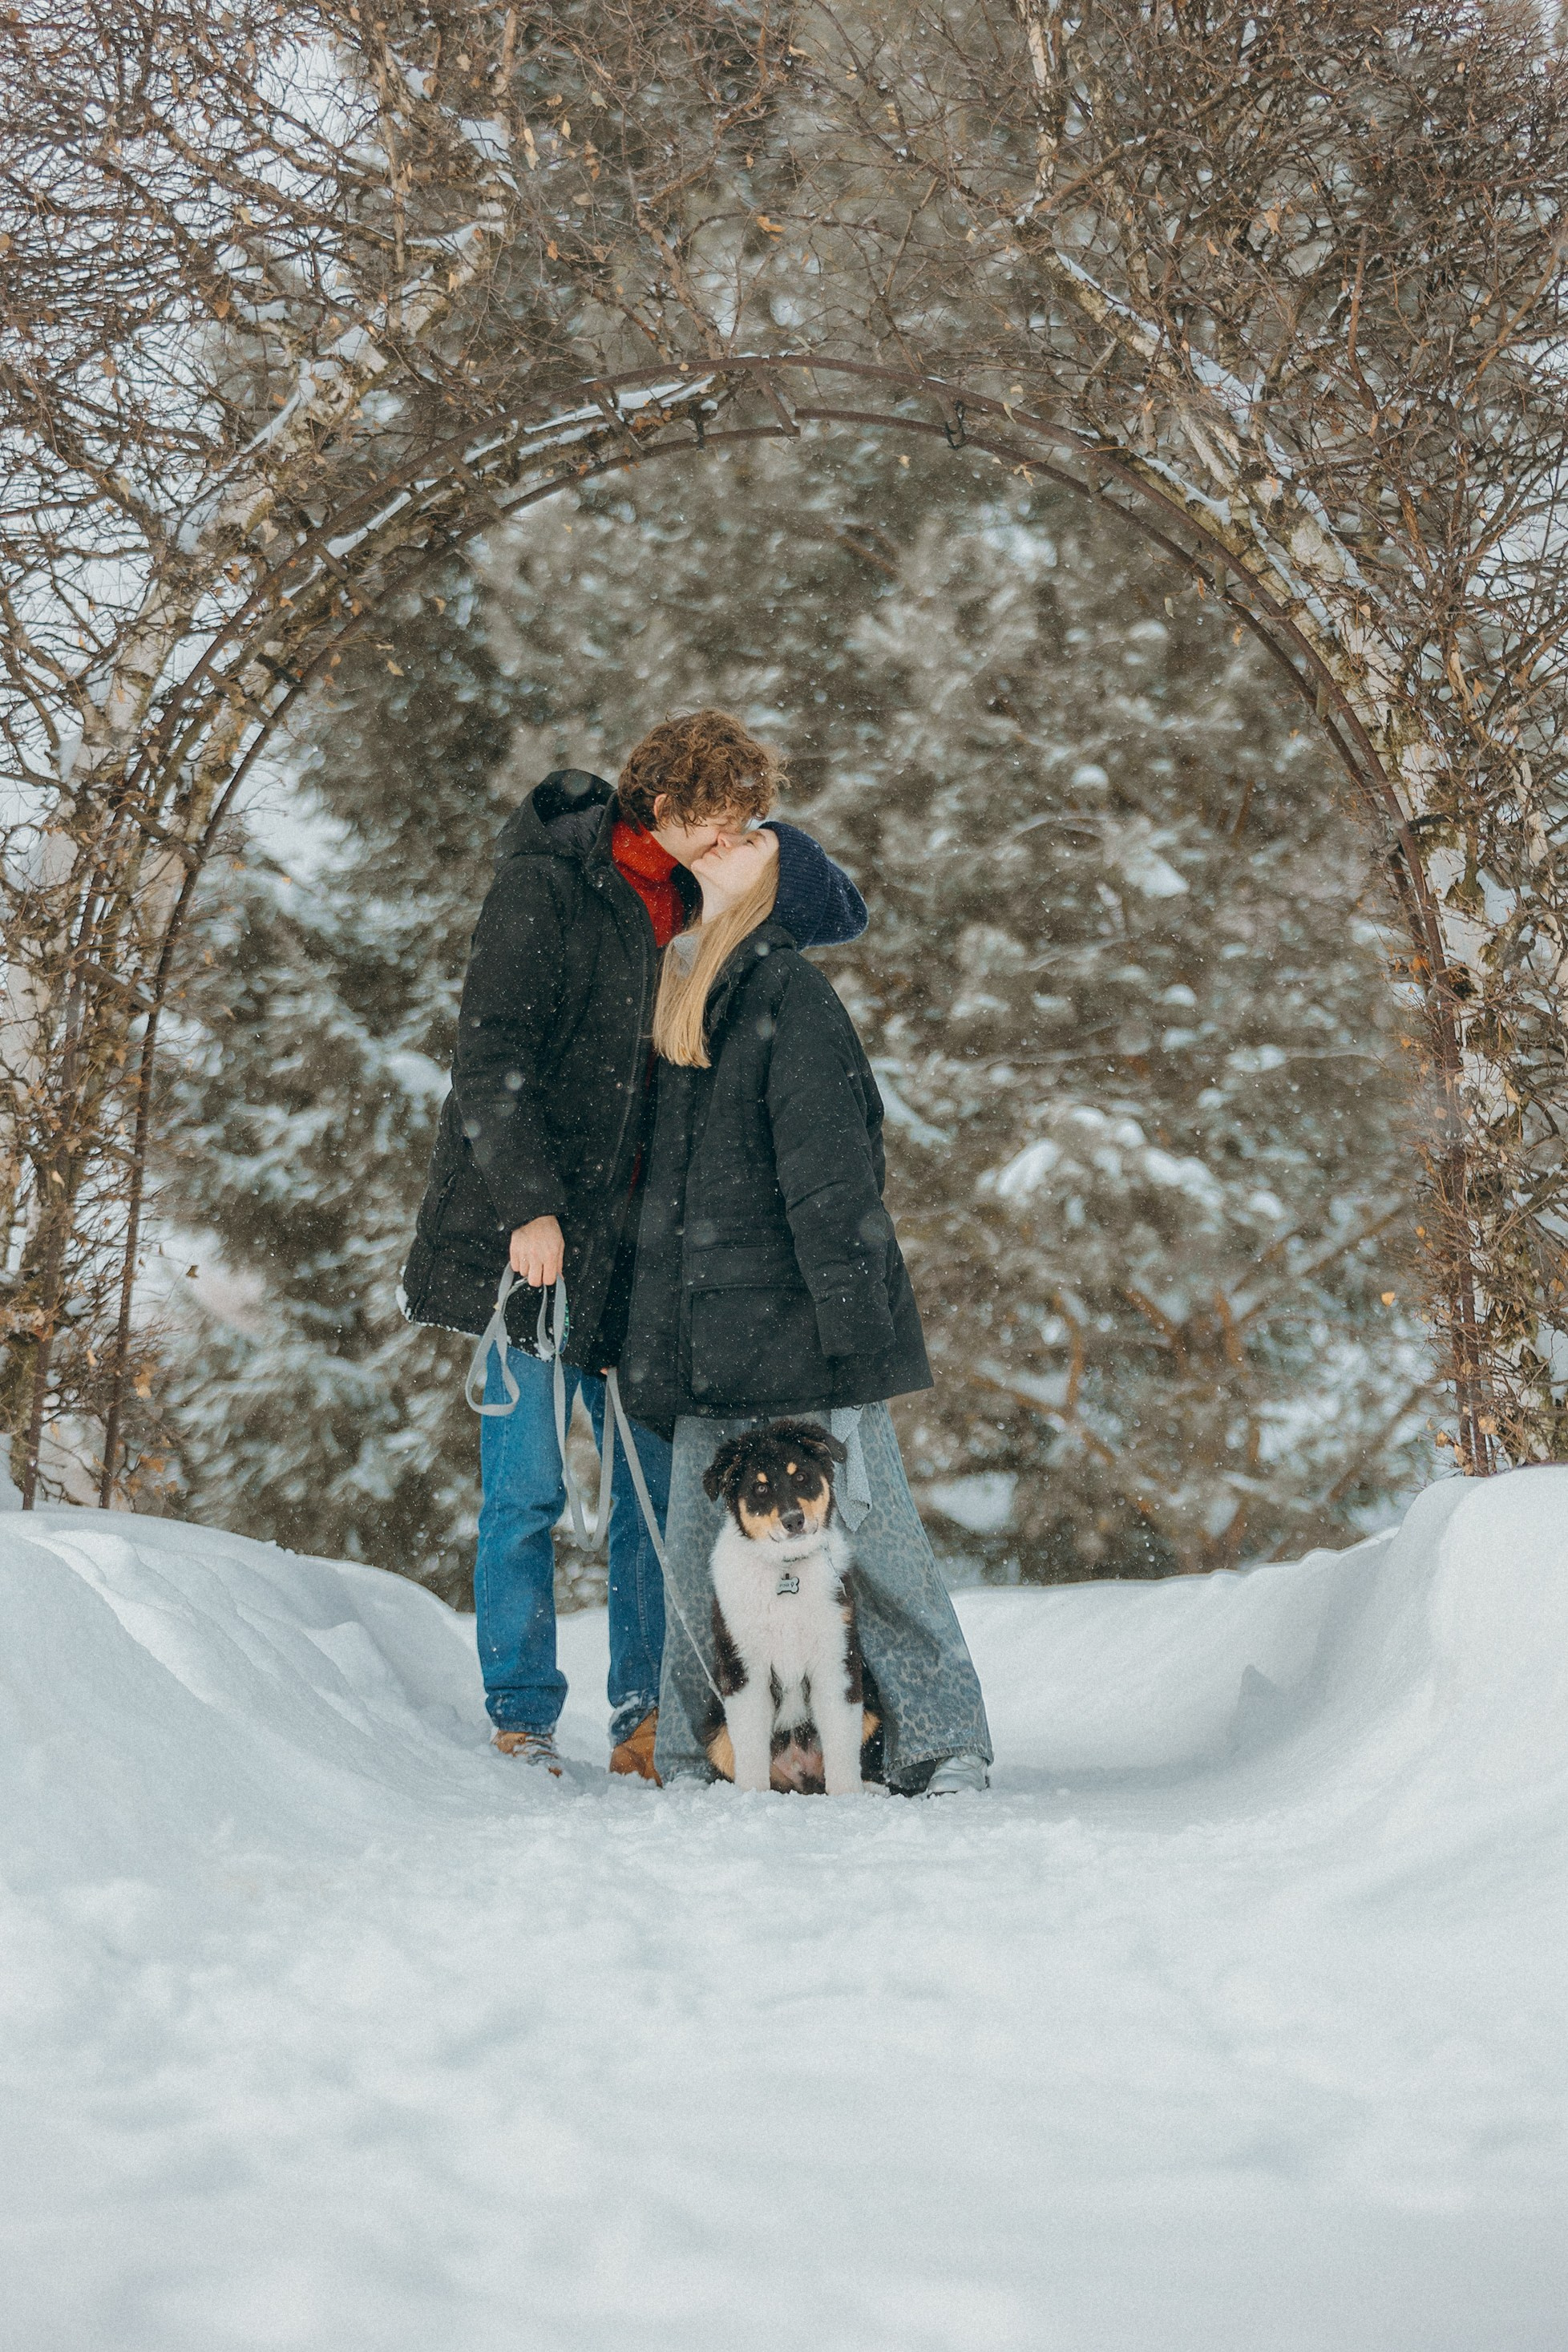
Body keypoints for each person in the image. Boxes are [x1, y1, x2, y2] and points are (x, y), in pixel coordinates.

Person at [399, 712, 867, 1777]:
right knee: (524, 1491)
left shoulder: (708, 890)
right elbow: (492, 1058)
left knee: (650, 1495)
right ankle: (522, 1710)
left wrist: (769, 850)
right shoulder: (547, 889)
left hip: (649, 1248)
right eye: (725, 816)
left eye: (749, 821)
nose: (735, 835)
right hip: (535, 1240)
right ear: (668, 806)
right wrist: (531, 1208)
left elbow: (841, 912)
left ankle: (642, 1716)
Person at [620, 829, 994, 1794]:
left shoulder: (789, 993)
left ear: (778, 889)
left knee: (870, 1541)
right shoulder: (692, 986)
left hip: (805, 1332)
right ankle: (692, 1757)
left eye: (754, 839)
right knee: (702, 1561)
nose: (733, 837)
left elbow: (835, 1184)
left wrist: (855, 1335)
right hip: (708, 1336)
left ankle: (942, 1743)